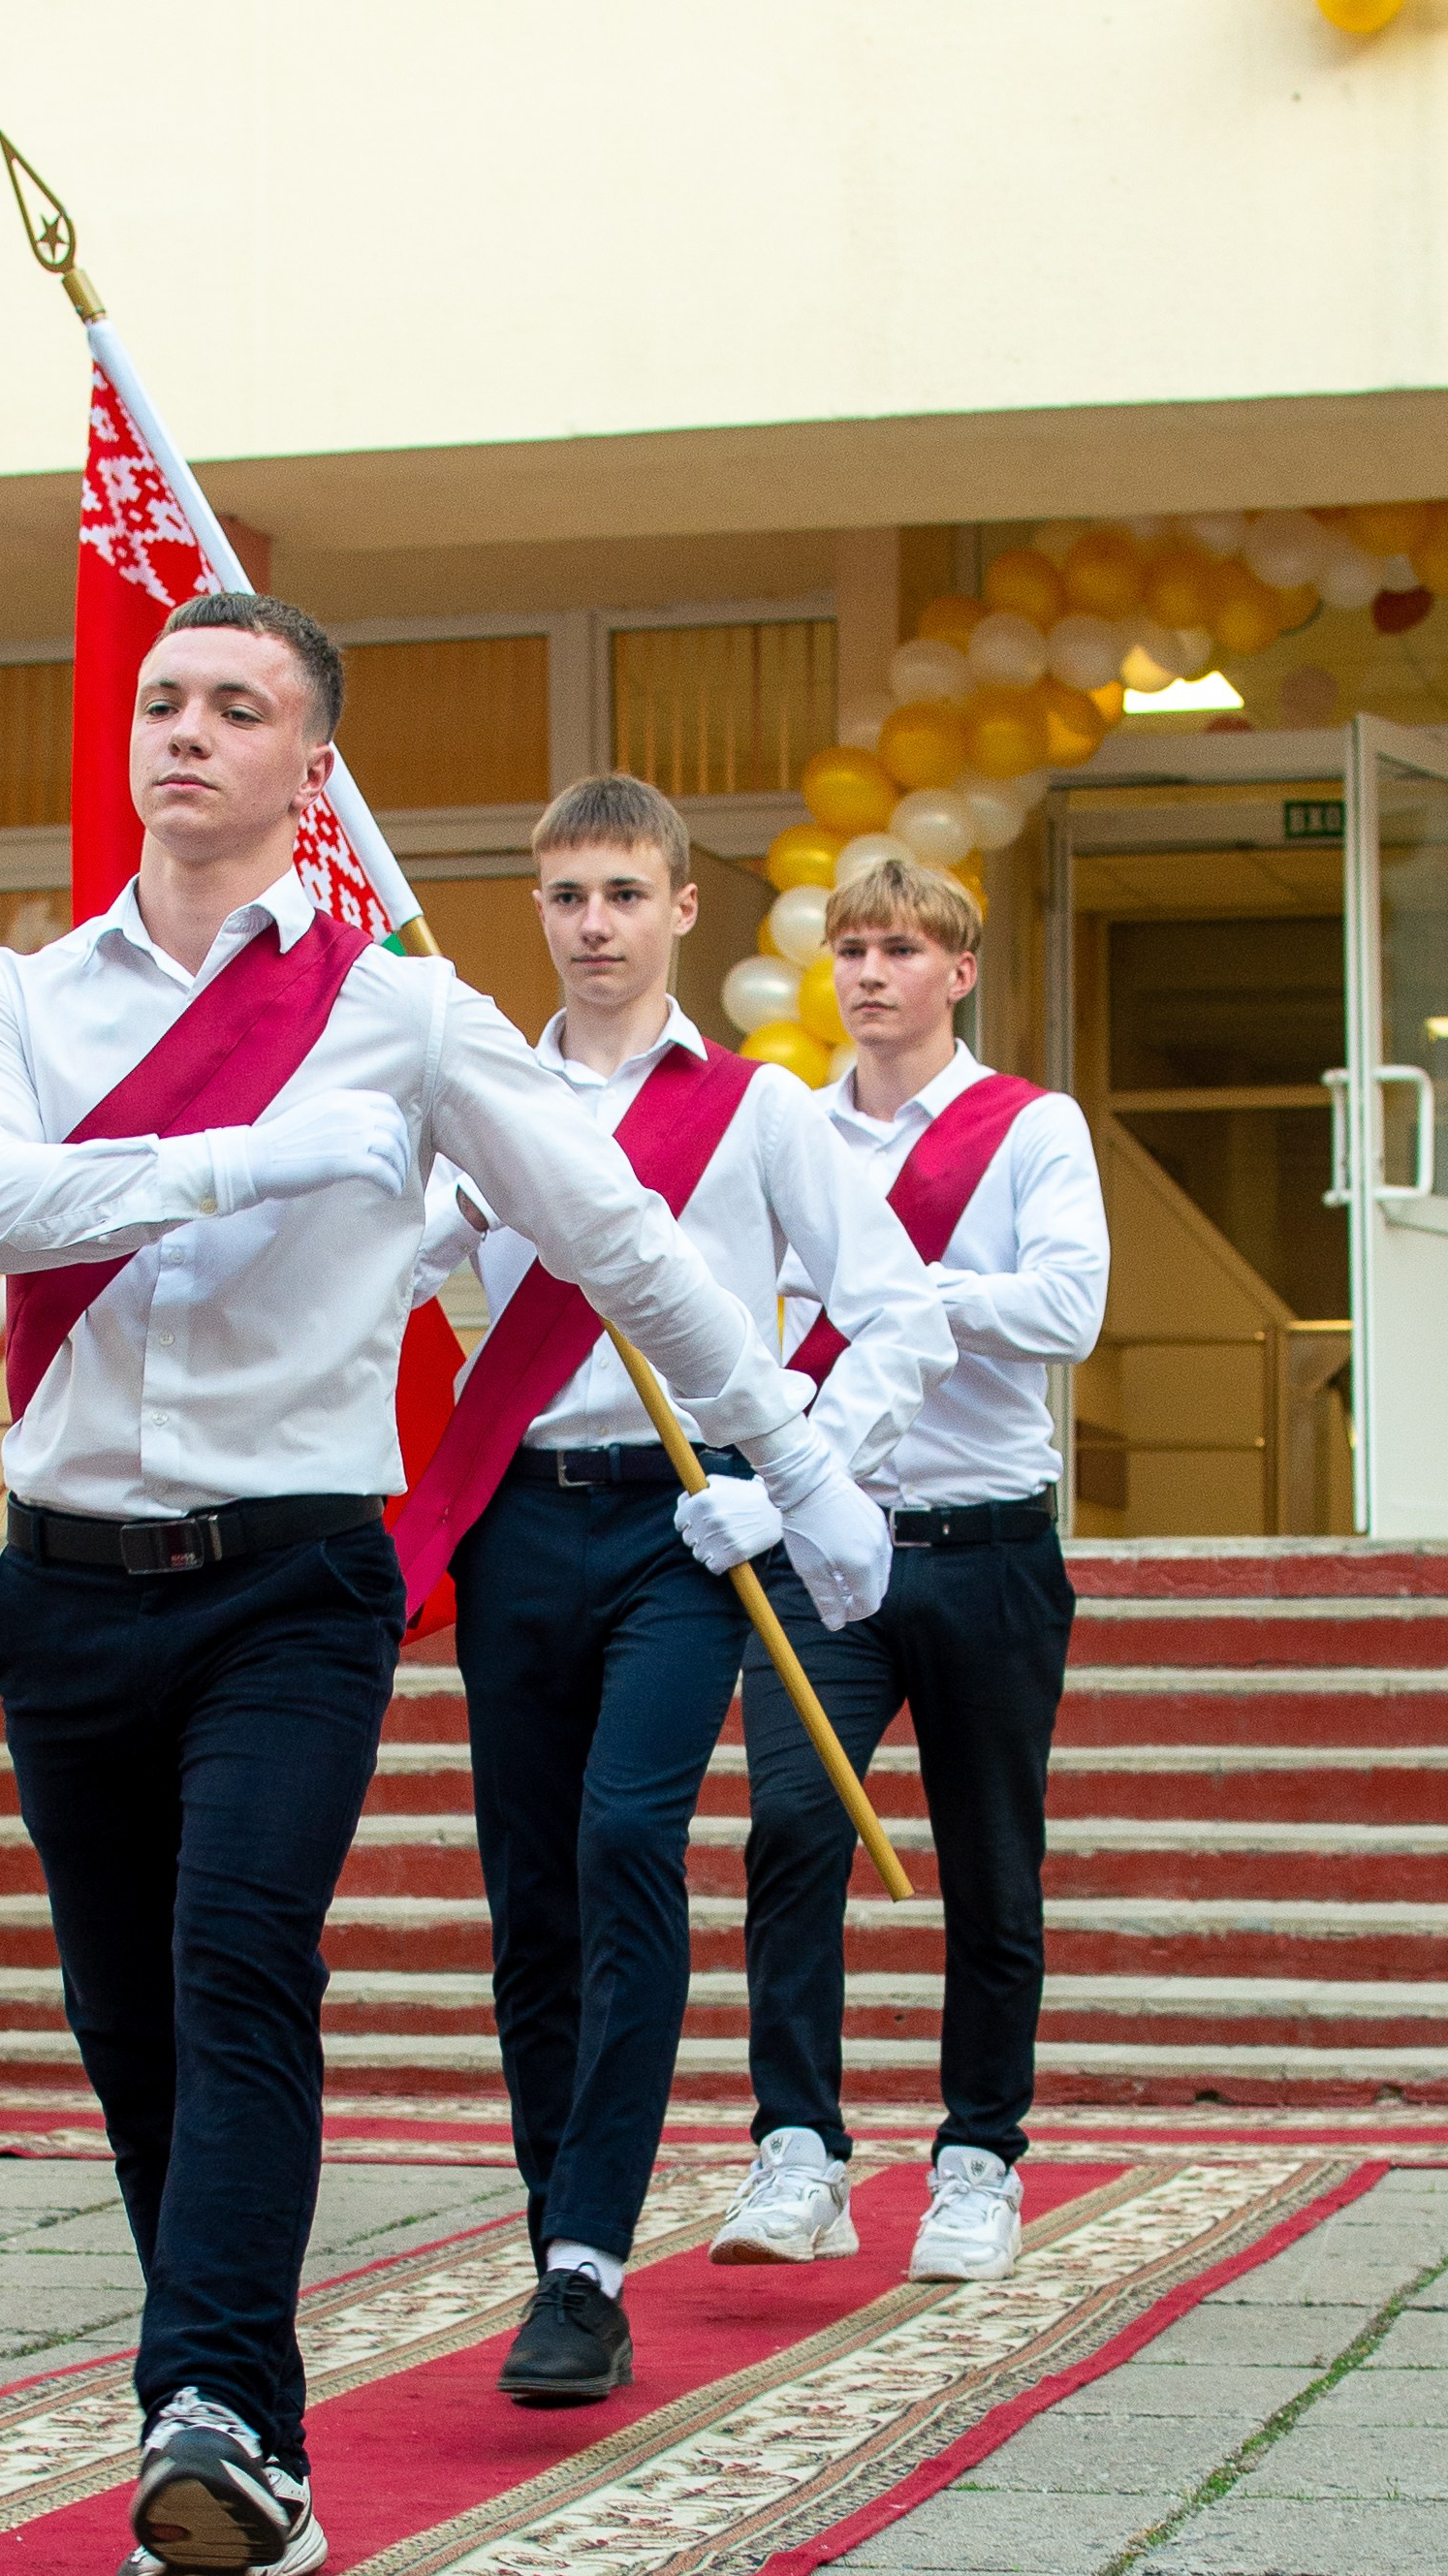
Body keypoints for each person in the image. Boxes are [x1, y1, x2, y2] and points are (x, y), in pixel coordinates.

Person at [0, 595, 887, 2576]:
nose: (182, 729)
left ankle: (204, 2413)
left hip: (288, 1578)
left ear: (305, 769)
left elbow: (612, 1232)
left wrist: (789, 1455)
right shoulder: (17, 997)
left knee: (235, 1958)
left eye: (234, 706)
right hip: (68, 1581)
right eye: (162, 699)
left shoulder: (405, 1013)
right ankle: (246, 2441)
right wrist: (238, 1159)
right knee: (123, 2018)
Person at [403, 775, 950, 2403]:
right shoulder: (482, 1097)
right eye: (566, 897)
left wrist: (782, 1478)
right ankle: (559, 2228)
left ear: (681, 909)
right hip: (516, 1520)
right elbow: (385, 1281)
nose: (592, 928)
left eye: (623, 896)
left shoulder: (764, 1110)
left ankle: (586, 2263)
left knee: (628, 1837)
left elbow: (898, 1312)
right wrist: (446, 1220)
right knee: (531, 1894)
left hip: (683, 1531)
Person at [686, 854, 1107, 2280]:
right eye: (852, 949)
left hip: (986, 1542)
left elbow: (1068, 1306)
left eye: (899, 950)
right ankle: (797, 2147)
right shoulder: (784, 1127)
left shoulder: (1029, 1129)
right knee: (794, 1832)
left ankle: (980, 2157)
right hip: (825, 1536)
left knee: (993, 1863)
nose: (869, 974)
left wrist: (893, 1296)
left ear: (959, 971)